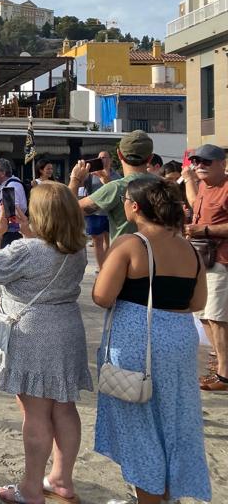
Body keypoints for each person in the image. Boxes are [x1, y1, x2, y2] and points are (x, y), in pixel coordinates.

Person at [92, 177, 211, 504]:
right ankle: (166, 496)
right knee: (173, 421)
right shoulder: (188, 248)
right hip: (179, 337)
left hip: (136, 337)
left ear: (135, 207)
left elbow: (102, 296)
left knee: (139, 425)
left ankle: (149, 498)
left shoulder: (131, 244)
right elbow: (197, 302)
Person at [0, 182, 92, 504]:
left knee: (36, 412)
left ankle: (31, 487)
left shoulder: (26, 250)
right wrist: (28, 231)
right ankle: (61, 478)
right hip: (68, 328)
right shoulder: (77, 247)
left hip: (35, 333)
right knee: (64, 406)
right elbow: (48, 252)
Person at [181, 143, 228, 391]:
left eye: (206, 162)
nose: (200, 165)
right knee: (206, 317)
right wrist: (189, 180)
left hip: (221, 260)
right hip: (203, 259)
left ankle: (224, 375)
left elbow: (209, 223)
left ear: (223, 163)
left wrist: (205, 230)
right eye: (196, 161)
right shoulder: (203, 187)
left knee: (216, 317)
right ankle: (222, 367)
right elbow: (196, 204)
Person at [70, 131, 158, 256]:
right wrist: (107, 182)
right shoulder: (167, 186)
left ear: (119, 155)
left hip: (126, 261)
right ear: (150, 157)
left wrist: (75, 179)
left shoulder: (116, 188)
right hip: (161, 261)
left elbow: (69, 210)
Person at [0, 158, 27, 247]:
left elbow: (12, 212)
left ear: (3, 173)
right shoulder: (2, 185)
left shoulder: (12, 186)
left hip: (12, 232)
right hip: (8, 230)